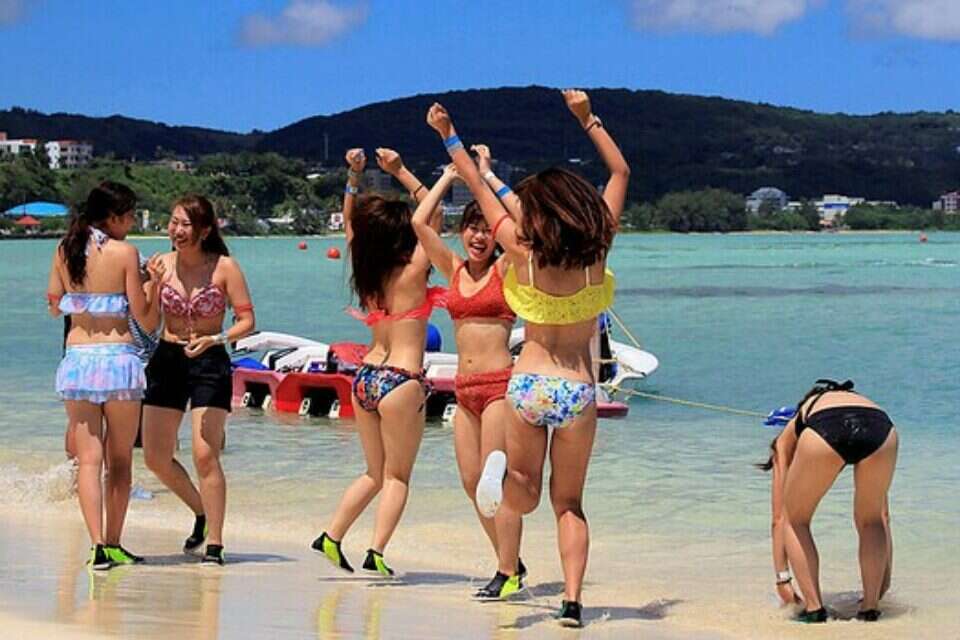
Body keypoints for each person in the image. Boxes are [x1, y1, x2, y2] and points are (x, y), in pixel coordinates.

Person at [426, 89, 629, 627]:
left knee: (525, 490)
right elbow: (620, 171)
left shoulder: (521, 251)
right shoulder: (598, 249)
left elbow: (474, 184)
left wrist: (449, 135)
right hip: (576, 388)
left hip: (527, 384)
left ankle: (502, 477)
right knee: (569, 504)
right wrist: (588, 119)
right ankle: (572, 602)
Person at [311, 147, 442, 577]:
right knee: (397, 476)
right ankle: (377, 552)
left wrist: (354, 176)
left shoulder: (367, 270)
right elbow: (434, 216)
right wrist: (404, 171)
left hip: (365, 377)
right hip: (401, 380)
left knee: (373, 471)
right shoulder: (412, 273)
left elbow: (350, 221)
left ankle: (331, 536)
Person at [410, 157, 526, 600]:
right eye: (472, 229)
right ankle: (510, 560)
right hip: (463, 390)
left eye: (486, 230)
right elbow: (420, 223)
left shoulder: (505, 268)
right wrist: (448, 176)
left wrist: (484, 176)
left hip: (498, 387)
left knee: (496, 482)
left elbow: (522, 226)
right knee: (470, 482)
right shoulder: (453, 269)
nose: (479, 237)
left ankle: (505, 570)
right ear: (462, 232)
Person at [47, 181, 162, 569]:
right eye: (129, 216)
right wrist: (155, 282)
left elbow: (54, 306)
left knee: (89, 460)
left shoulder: (64, 249)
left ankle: (96, 546)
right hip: (118, 362)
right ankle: (113, 543)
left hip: (79, 361)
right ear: (113, 218)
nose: (131, 223)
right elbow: (146, 318)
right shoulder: (126, 253)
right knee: (120, 460)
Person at [141, 195, 255, 566]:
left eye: (186, 224)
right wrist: (152, 285)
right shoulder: (160, 264)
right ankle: (201, 512)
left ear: (205, 230)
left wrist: (216, 338)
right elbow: (148, 322)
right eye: (173, 222)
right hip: (167, 357)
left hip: (210, 359)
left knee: (205, 454)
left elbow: (247, 321)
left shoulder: (224, 267)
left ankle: (215, 544)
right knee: (156, 458)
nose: (177, 230)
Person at [761, 379, 897, 623]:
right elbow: (884, 517)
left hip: (826, 426)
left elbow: (779, 518)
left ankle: (814, 610)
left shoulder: (791, 432)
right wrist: (883, 582)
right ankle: (870, 609)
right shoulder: (860, 402)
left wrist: (783, 579)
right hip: (882, 427)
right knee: (870, 520)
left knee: (796, 520)